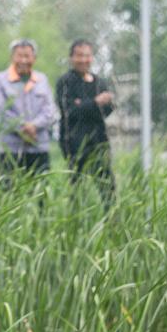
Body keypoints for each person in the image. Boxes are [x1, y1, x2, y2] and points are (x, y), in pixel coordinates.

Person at [0, 38, 57, 197]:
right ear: (12, 57)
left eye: (27, 56)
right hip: (11, 149)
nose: (23, 60)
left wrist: (34, 126)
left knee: (41, 194)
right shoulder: (1, 80)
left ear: (34, 58)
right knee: (9, 194)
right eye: (19, 56)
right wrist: (22, 128)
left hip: (38, 146)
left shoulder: (42, 80)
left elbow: (50, 110)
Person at [56, 39, 116, 209]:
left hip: (99, 141)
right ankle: (77, 221)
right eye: (79, 55)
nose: (83, 60)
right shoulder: (65, 82)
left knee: (107, 187)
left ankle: (111, 219)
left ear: (92, 58)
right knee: (77, 188)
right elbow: (69, 111)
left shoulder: (99, 82)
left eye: (87, 55)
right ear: (71, 58)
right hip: (74, 143)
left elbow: (106, 111)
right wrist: (95, 103)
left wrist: (84, 104)